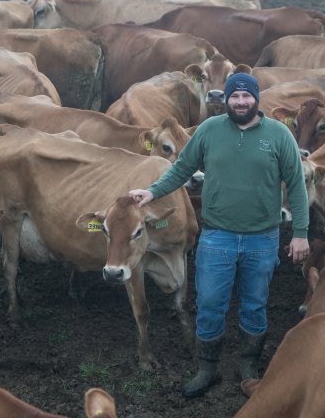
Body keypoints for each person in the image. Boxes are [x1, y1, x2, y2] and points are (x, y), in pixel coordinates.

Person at [129, 72, 310, 398]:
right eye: (235, 96)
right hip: (217, 237)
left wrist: (300, 233)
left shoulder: (279, 134)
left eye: (246, 96)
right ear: (226, 100)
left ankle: (248, 366)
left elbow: (296, 184)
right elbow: (182, 168)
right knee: (210, 303)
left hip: (262, 237)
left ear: (256, 98)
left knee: (255, 305)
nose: (241, 102)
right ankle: (207, 369)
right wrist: (152, 192)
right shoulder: (210, 130)